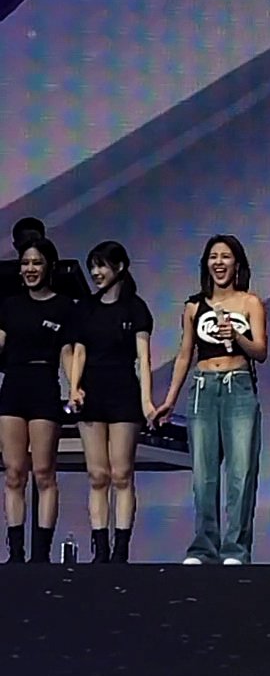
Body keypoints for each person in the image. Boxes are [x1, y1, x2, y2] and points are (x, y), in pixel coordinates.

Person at [154, 234, 269, 566]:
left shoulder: (250, 303)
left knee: (241, 472)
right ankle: (203, 548)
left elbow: (260, 351)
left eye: (226, 256)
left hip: (238, 385)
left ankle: (236, 550)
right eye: (213, 257)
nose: (219, 263)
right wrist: (170, 399)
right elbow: (184, 355)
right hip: (203, 388)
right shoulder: (193, 306)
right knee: (204, 475)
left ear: (237, 264)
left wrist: (237, 335)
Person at [70, 240, 155, 564]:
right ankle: (100, 548)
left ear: (119, 267)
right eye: (93, 266)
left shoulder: (136, 308)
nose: (96, 272)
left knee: (121, 473)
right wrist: (74, 388)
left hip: (123, 393)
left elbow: (143, 359)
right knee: (97, 475)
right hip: (92, 394)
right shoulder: (85, 308)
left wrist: (146, 402)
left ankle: (121, 548)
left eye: (102, 265)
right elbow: (79, 352)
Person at [0, 236, 77, 564]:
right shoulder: (10, 306)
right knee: (14, 472)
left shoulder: (64, 306)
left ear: (49, 267)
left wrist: (75, 387)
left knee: (43, 472)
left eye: (37, 263)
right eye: (25, 263)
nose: (30, 269)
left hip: (44, 384)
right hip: (13, 386)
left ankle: (41, 554)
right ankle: (16, 553)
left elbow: (68, 353)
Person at [0, 216, 88, 303]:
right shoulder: (4, 274)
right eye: (25, 242)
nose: (31, 245)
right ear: (15, 245)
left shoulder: (65, 271)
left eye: (35, 240)